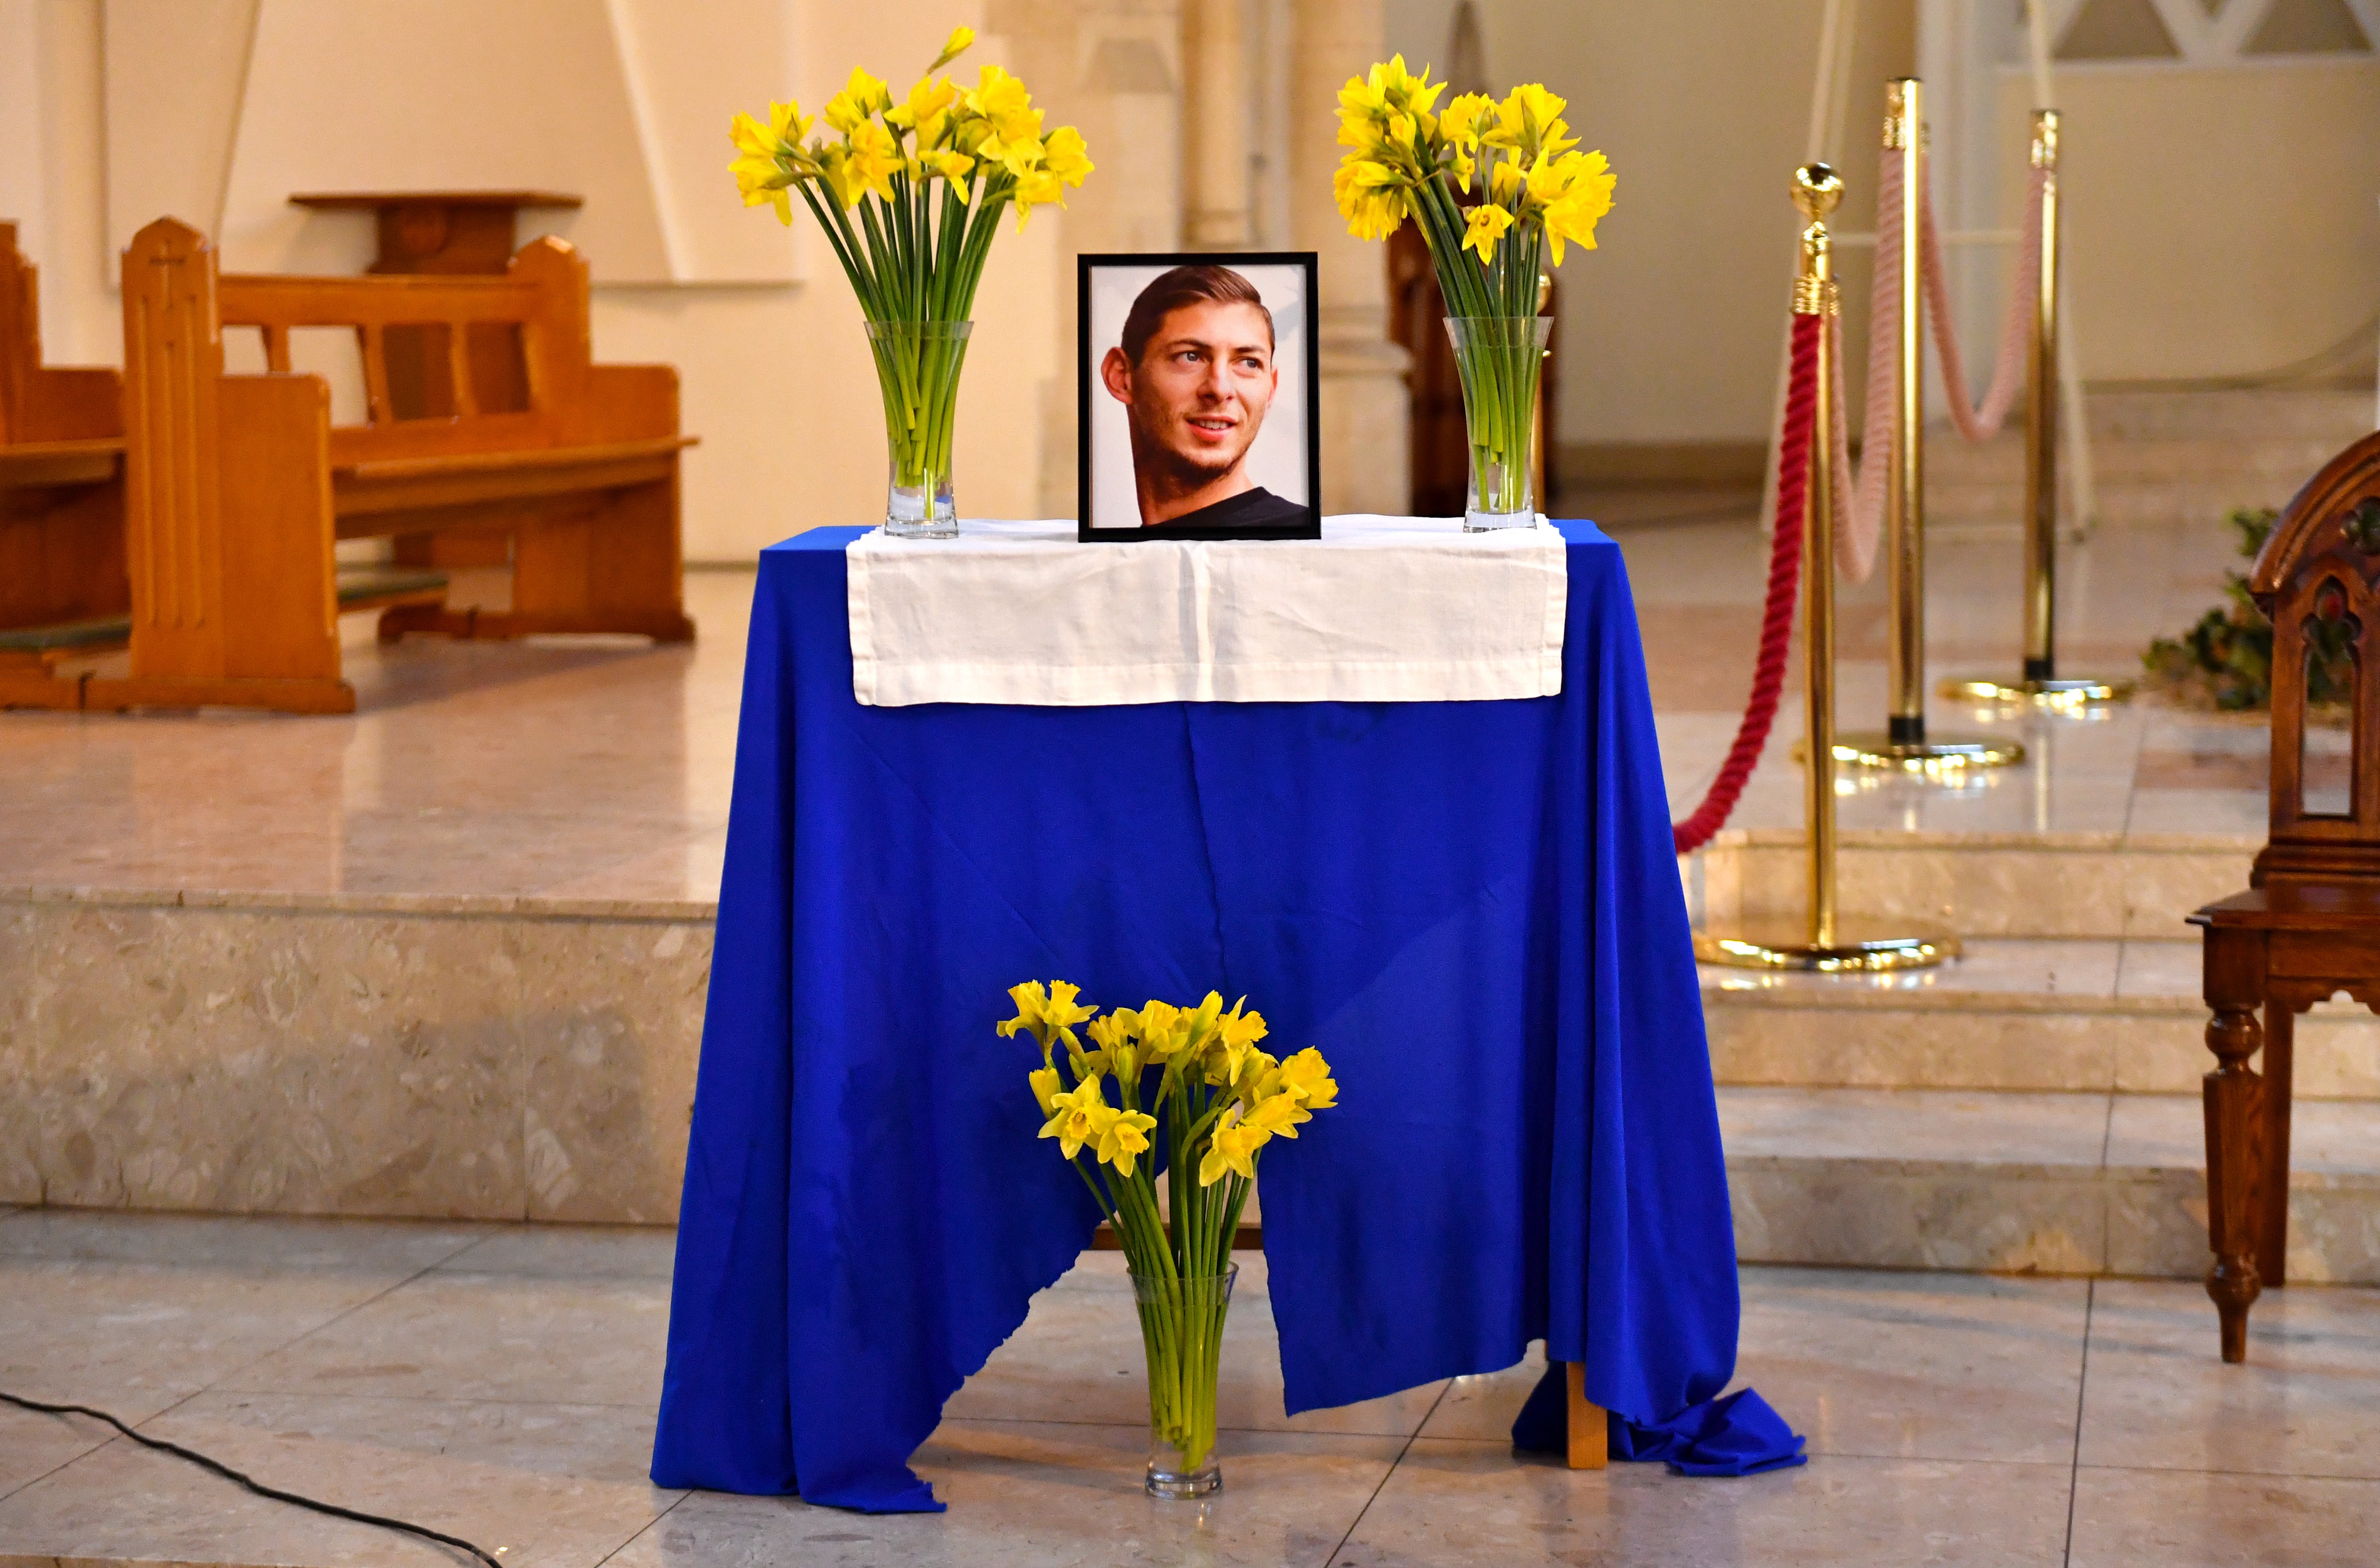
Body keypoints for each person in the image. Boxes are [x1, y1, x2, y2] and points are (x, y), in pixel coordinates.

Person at [1100, 265, 1308, 530]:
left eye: (1248, 363)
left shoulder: (1299, 543)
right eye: (1190, 357)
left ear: (1271, 388)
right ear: (1121, 376)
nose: (1220, 390)